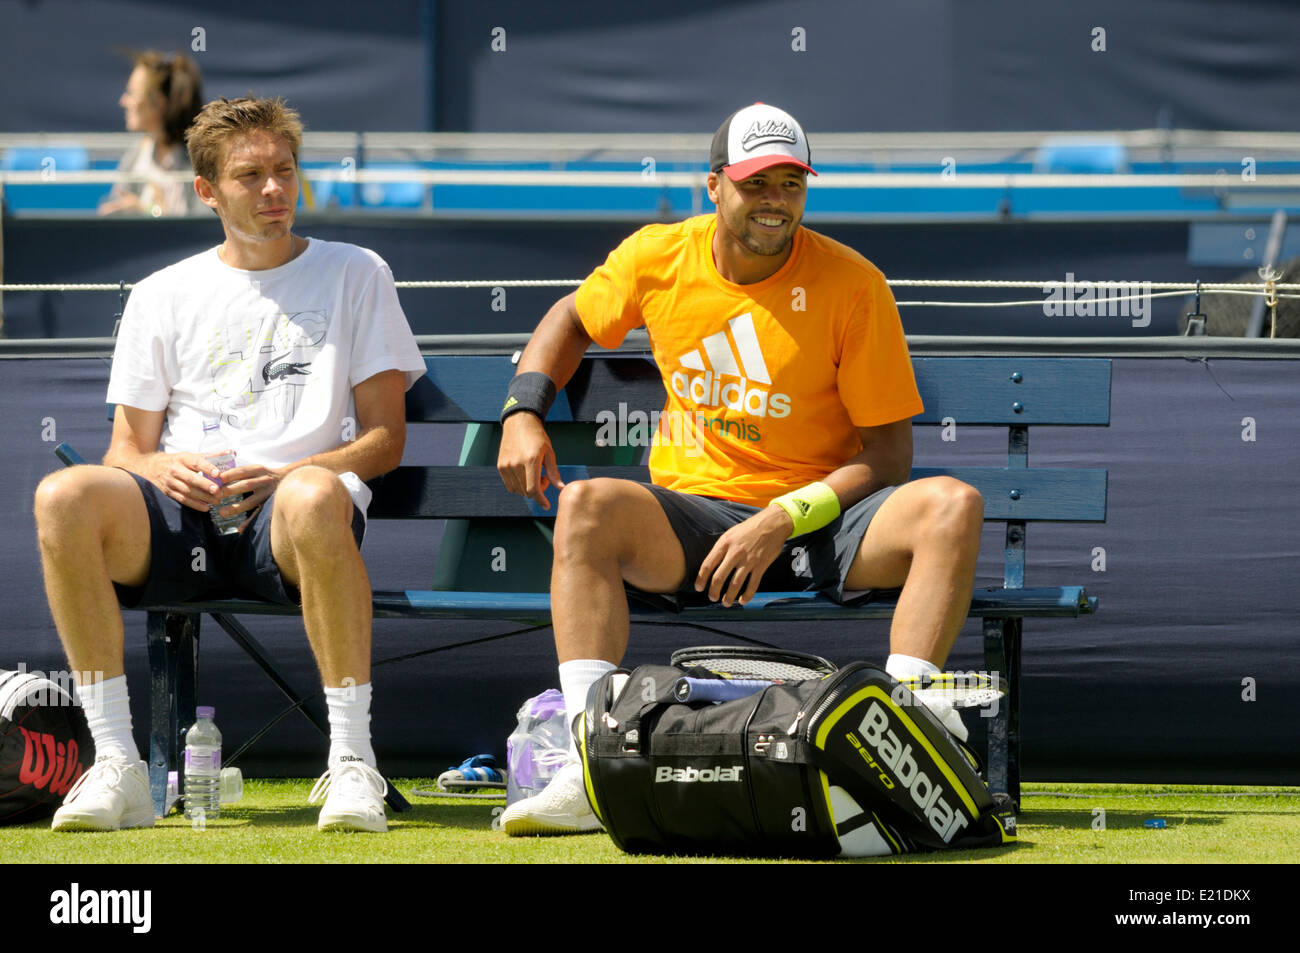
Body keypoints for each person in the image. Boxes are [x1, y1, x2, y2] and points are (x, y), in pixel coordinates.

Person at [495, 103, 984, 836]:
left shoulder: (855, 284)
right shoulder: (659, 255)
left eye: (791, 184)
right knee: (588, 504)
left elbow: (889, 456)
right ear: (714, 186)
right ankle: (588, 762)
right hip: (697, 521)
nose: (775, 202)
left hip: (823, 522)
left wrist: (783, 516)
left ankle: (903, 737)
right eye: (757, 184)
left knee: (953, 504)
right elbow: (571, 317)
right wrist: (524, 411)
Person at [34, 95, 425, 833]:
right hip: (181, 521)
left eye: (285, 170)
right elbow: (125, 450)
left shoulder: (356, 272)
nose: (275, 189)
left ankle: (351, 760)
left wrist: (290, 473)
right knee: (62, 496)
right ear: (207, 191)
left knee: (313, 493)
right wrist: (158, 467)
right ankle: (117, 763)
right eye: (251, 176)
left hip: (294, 522)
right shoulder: (160, 294)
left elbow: (386, 440)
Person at [99, 50, 204, 217]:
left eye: (132, 93)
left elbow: (204, 230)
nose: (123, 101)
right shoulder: (138, 153)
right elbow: (110, 210)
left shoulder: (200, 162)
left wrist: (150, 212)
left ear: (159, 103)